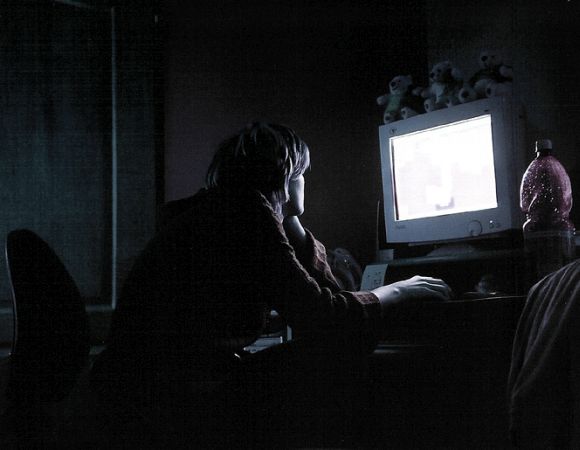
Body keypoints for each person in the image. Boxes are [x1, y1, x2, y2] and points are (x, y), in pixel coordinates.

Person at [90, 122, 451, 448]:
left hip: (134, 394)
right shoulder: (245, 214)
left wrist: (290, 223)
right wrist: (397, 291)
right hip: (169, 400)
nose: (305, 182)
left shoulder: (215, 210)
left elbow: (321, 300)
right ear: (287, 175)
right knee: (340, 356)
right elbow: (326, 318)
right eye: (303, 174)